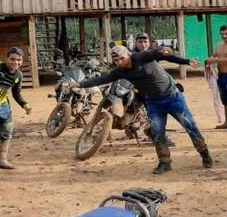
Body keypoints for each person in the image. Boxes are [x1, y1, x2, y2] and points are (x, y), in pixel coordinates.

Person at [70, 45, 212, 174]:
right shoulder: (119, 72)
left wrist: (184, 60)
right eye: (116, 60)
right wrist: (79, 84)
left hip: (173, 97)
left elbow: (160, 54)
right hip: (153, 102)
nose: (119, 62)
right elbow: (101, 80)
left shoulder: (141, 57)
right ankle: (164, 162)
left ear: (128, 55)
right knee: (156, 132)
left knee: (190, 126)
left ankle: (204, 153)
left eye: (122, 58)